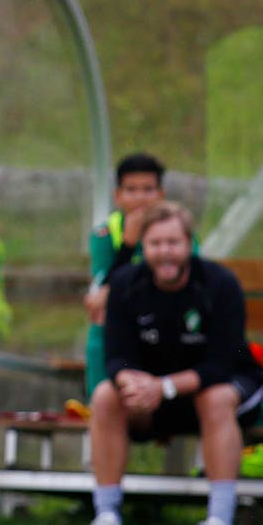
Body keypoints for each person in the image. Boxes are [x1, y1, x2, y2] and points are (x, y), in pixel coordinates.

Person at [86, 201, 263, 525]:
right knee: (105, 395)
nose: (165, 252)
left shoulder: (220, 284)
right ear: (144, 247)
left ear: (189, 243)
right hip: (153, 396)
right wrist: (130, 382)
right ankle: (106, 516)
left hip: (221, 387)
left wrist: (164, 386)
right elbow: (116, 356)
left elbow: (221, 365)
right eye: (155, 244)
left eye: (173, 243)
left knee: (214, 398)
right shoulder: (124, 284)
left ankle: (219, 522)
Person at [82, 152, 168, 397]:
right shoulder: (105, 234)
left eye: (148, 189)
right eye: (131, 189)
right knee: (101, 310)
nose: (140, 197)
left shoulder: (176, 230)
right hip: (125, 316)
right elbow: (103, 287)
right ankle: (99, 397)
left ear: (160, 194)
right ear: (117, 196)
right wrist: (128, 245)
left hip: (166, 313)